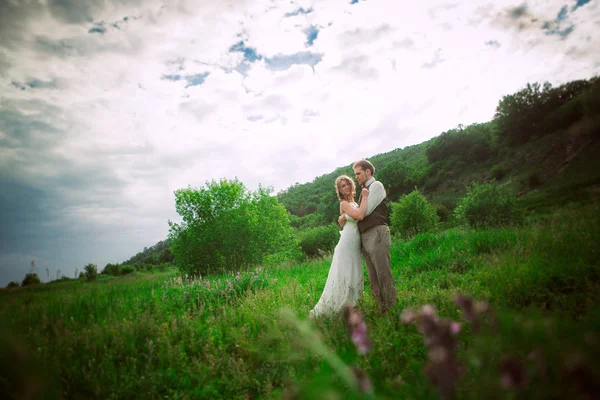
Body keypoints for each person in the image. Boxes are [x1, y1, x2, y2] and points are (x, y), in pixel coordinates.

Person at [339, 159, 397, 313]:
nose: (356, 177)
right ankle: (380, 307)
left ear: (368, 172)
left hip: (376, 232)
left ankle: (390, 307)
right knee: (373, 276)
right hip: (365, 236)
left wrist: (345, 216)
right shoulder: (365, 190)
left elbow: (363, 213)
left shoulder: (376, 186)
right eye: (355, 174)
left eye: (358, 173)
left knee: (382, 272)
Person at [309, 175, 369, 317]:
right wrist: (365, 196)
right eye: (343, 186)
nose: (346, 187)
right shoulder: (343, 203)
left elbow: (345, 220)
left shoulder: (353, 202)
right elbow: (359, 216)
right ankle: (341, 304)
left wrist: (343, 218)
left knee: (355, 269)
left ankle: (354, 303)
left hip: (355, 241)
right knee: (345, 272)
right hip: (347, 241)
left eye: (348, 184)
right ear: (340, 191)